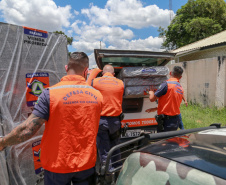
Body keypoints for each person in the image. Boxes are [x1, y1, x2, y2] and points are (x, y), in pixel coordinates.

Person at [0, 52, 103, 185]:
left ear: (66, 68)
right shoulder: (97, 95)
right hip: (87, 163)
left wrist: (3, 142)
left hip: (57, 164)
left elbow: (27, 129)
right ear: (86, 71)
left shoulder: (50, 94)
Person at [92, 64, 124, 170]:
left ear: (102, 73)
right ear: (114, 74)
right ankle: (118, 169)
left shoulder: (95, 82)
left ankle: (108, 173)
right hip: (115, 121)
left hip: (101, 121)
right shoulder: (121, 83)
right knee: (115, 147)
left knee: (104, 149)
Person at [146, 66, 184, 132]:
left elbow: (152, 99)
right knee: (171, 140)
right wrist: (156, 108)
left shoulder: (166, 84)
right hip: (175, 121)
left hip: (166, 121)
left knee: (163, 141)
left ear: (170, 73)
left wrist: (151, 92)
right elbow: (170, 104)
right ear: (180, 77)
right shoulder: (180, 87)